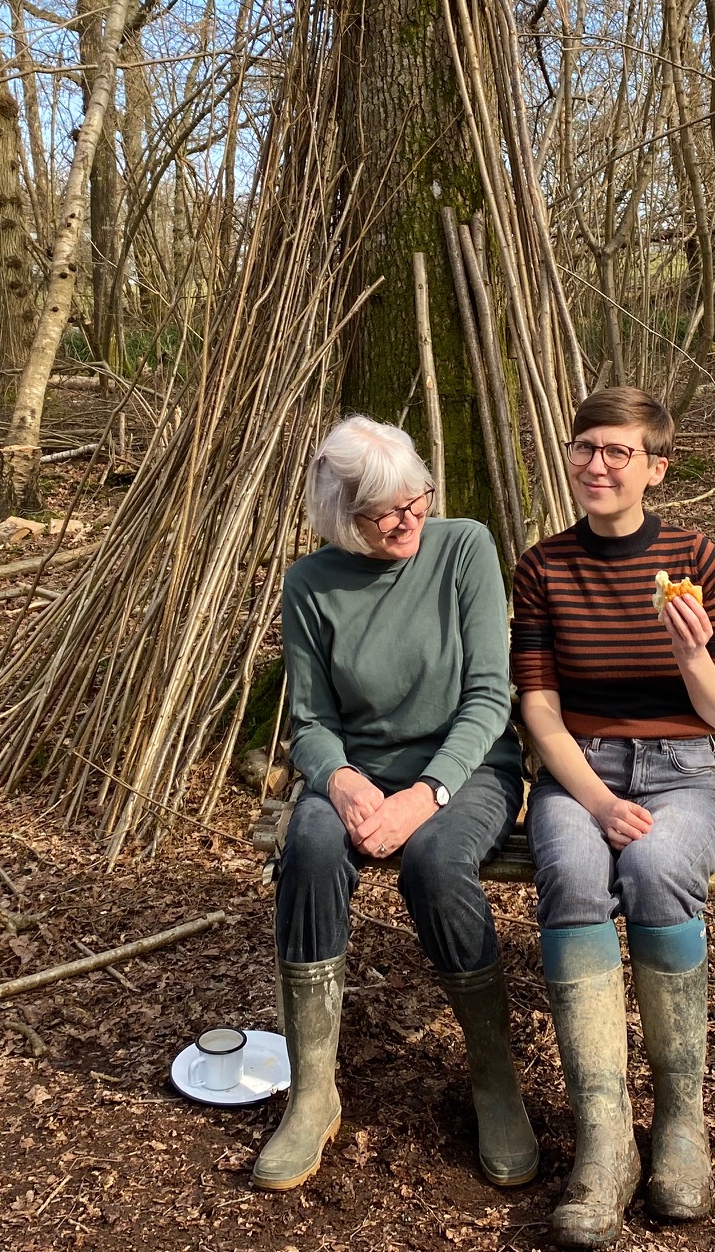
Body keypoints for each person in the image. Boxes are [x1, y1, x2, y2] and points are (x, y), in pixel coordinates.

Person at [255, 416, 536, 1193]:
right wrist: (340, 781)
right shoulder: (311, 583)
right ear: (342, 516)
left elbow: (489, 698)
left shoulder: (463, 548)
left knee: (437, 862)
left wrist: (426, 795)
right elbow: (310, 722)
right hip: (359, 773)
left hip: (468, 766)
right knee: (309, 846)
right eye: (385, 511)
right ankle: (314, 1090)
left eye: (416, 498)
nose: (408, 519)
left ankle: (493, 1079)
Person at [512, 387, 715, 1248]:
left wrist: (692, 655)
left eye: (618, 451)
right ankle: (605, 1141)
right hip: (582, 769)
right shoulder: (544, 567)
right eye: (586, 447)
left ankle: (680, 1122)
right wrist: (601, 801)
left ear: (656, 467)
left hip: (684, 771)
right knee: (574, 872)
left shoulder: (698, 558)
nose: (598, 464)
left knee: (653, 872)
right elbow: (539, 711)